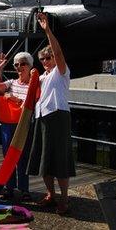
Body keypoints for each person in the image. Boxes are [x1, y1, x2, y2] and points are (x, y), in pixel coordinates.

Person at [26, 12, 75, 215]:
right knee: (44, 160)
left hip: (58, 116)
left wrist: (47, 31)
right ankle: (50, 194)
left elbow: (59, 54)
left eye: (48, 58)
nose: (46, 61)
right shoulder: (43, 77)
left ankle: (63, 199)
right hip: (42, 117)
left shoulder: (61, 72)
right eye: (43, 59)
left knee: (60, 160)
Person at [0, 51, 33, 201]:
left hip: (23, 125)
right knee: (8, 157)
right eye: (17, 64)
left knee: (23, 157)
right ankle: (9, 188)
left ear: (30, 65)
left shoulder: (34, 84)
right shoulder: (11, 83)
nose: (20, 67)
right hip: (8, 124)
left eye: (23, 64)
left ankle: (24, 189)